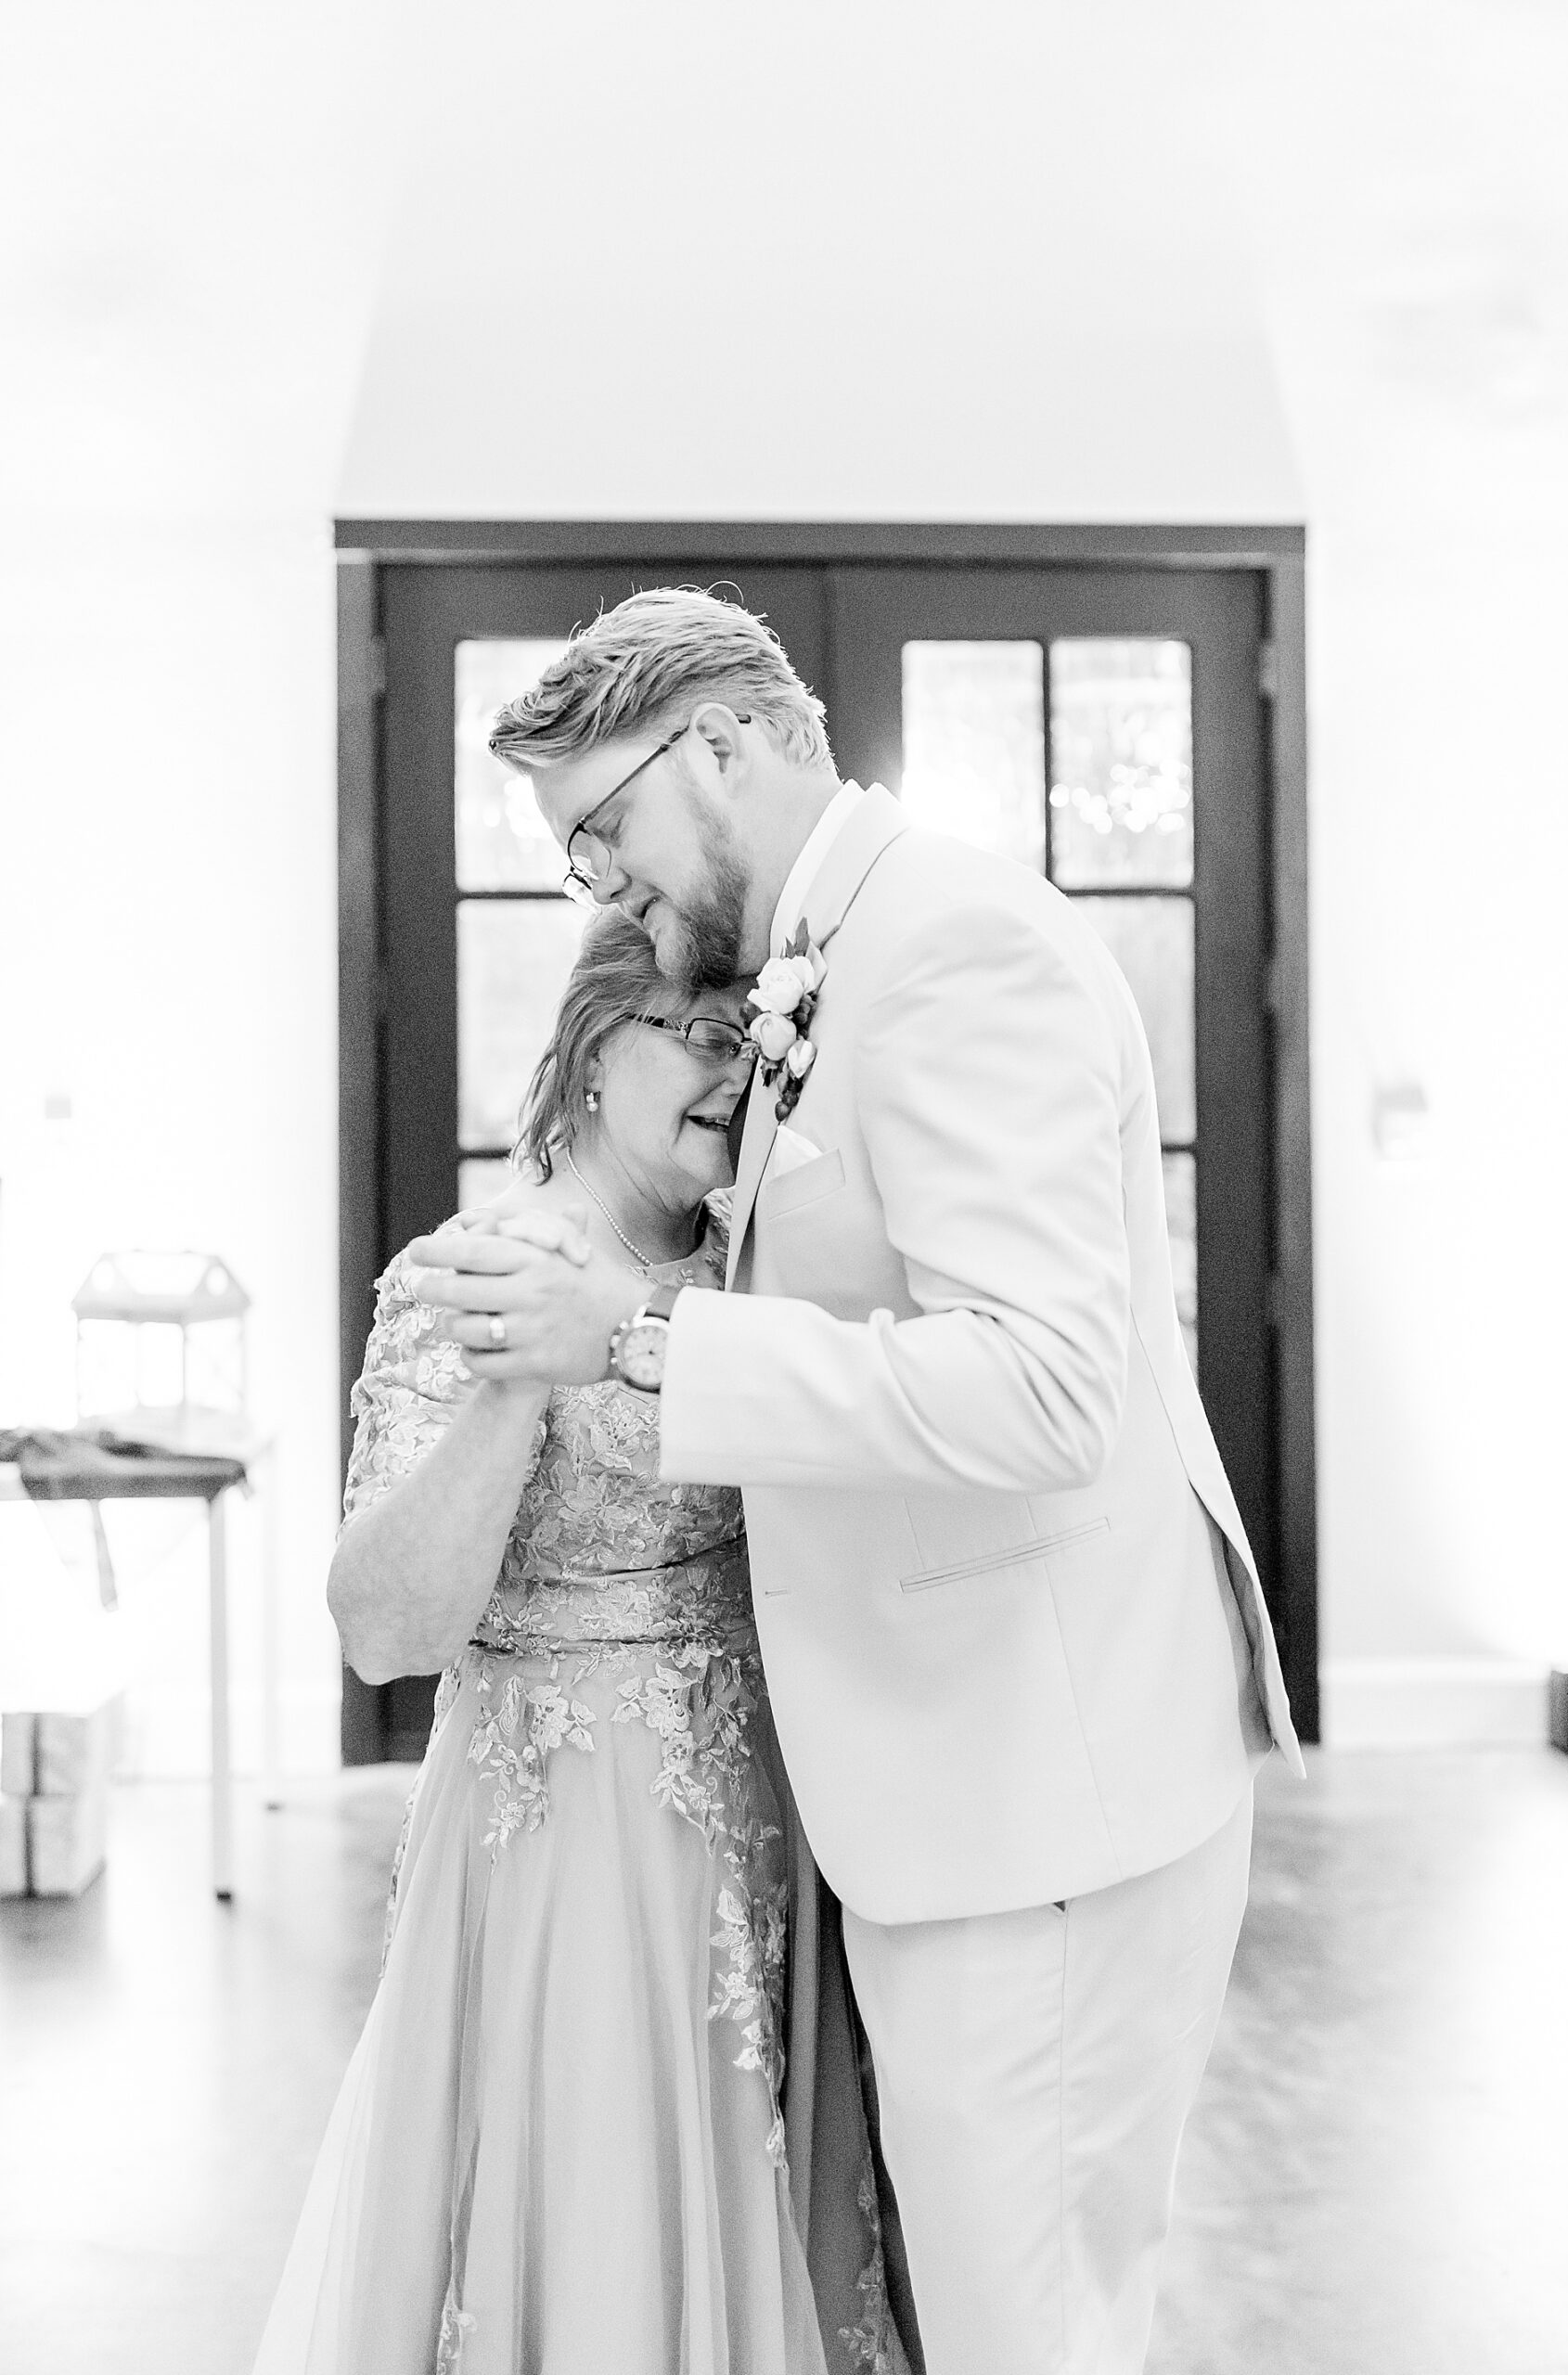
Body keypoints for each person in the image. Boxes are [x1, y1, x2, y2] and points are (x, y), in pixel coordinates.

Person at [413, 587, 1307, 2375]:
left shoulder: (956, 946)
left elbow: (1051, 1385)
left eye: (601, 835)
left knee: (1027, 2331)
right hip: (962, 1791)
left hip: (1041, 1800)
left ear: (728, 744)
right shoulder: (839, 954)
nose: (600, 896)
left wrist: (646, 1343)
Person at [252, 909, 915, 2375]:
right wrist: (520, 1387)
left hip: (784, 1835)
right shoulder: (476, 1274)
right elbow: (380, 1629)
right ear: (593, 1044)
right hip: (574, 1858)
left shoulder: (768, 1271)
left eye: (767, 1047)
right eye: (702, 1034)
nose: (740, 1076)